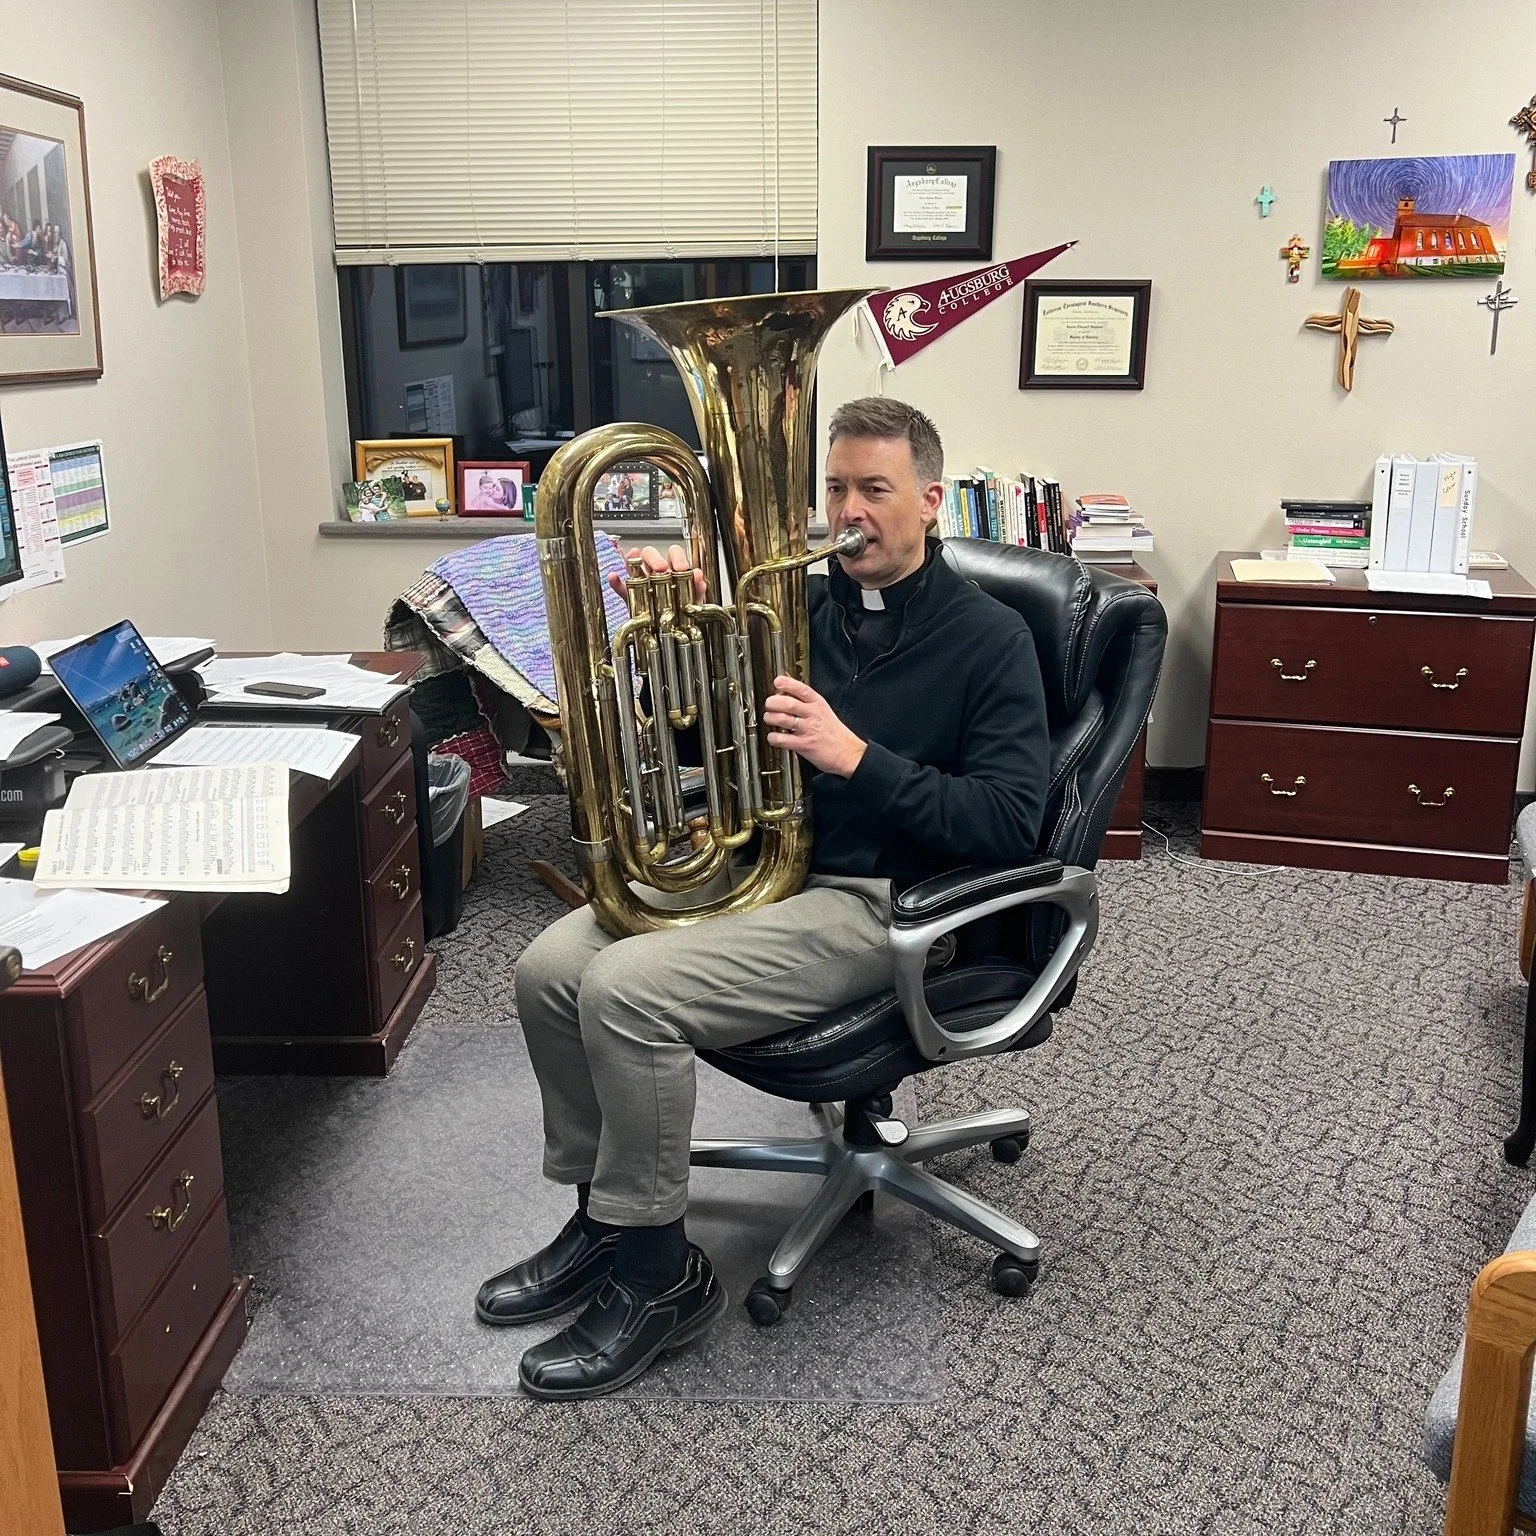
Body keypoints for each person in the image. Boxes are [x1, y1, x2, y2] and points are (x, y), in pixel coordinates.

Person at [481, 396, 1051, 1399]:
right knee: (548, 970)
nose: (849, 512)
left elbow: (1011, 824)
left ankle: (662, 1277)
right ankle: (600, 1222)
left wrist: (858, 759)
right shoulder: (794, 607)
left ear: (929, 500)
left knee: (626, 992)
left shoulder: (991, 640)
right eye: (836, 489)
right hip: (767, 870)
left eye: (874, 490)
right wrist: (671, 643)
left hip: (886, 902)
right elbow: (712, 750)